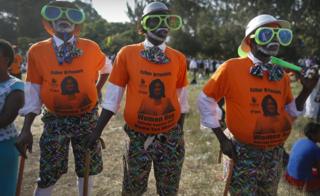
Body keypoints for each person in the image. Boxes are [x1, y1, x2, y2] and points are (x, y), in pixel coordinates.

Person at [197, 14, 319, 195]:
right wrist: (222, 140)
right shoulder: (231, 68)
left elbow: (290, 111)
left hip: (274, 155)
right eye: (266, 34)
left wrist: (306, 91)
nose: (274, 40)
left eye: (278, 35)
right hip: (243, 153)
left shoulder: (281, 75)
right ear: (250, 41)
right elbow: (205, 99)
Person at [85, 2, 189, 195]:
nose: (162, 26)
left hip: (170, 137)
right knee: (132, 190)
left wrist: (177, 135)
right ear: (144, 25)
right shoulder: (127, 54)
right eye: (155, 21)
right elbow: (112, 100)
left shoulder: (179, 58)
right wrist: (96, 131)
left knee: (169, 191)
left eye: (167, 21)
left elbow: (182, 102)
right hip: (137, 138)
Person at [15, 1, 112, 195]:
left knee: (87, 169)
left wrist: (96, 88)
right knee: (49, 172)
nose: (64, 18)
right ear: (49, 20)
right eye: (57, 13)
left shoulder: (90, 47)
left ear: (78, 22)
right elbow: (33, 92)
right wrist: (26, 129)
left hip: (87, 119)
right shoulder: (37, 51)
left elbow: (106, 69)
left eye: (71, 14)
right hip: (54, 120)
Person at [0, 39, 24, 196]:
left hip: (3, 147)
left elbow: (5, 119)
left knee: (5, 191)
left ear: (6, 59)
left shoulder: (15, 86)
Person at [285, 122, 320, 194]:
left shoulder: (299, 141)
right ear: (313, 135)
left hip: (288, 177)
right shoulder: (316, 149)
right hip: (301, 183)